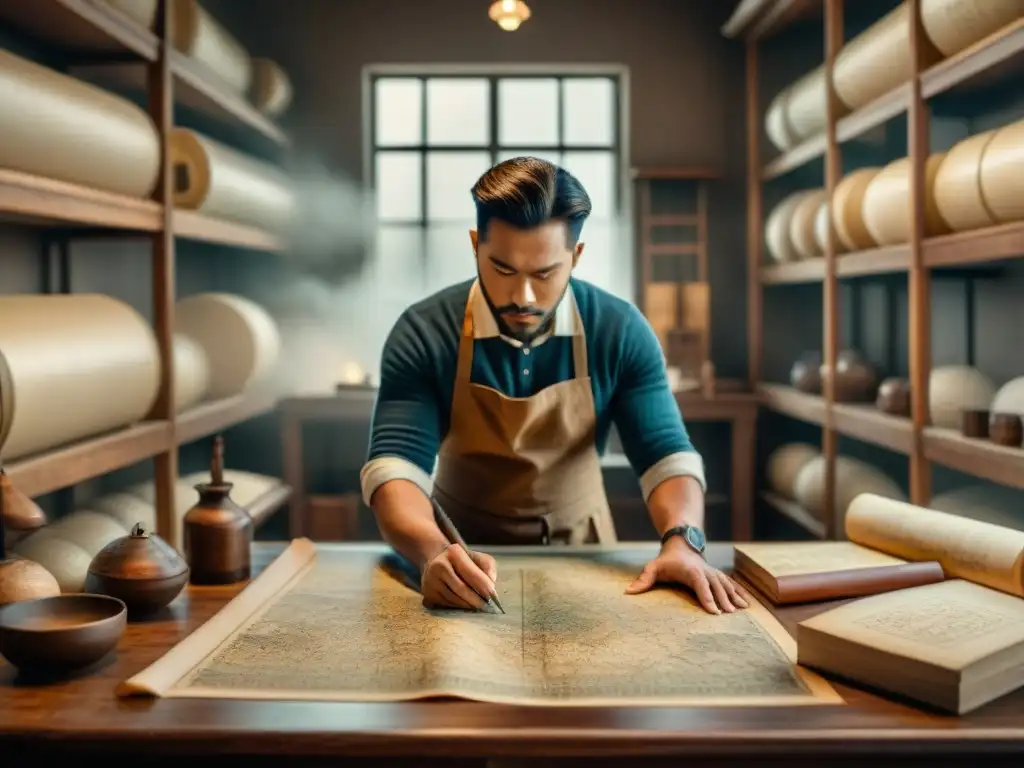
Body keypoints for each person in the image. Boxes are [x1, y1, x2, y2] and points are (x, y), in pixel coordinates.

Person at [361, 157, 747, 616]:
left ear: (576, 257)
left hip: (585, 556)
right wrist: (431, 552)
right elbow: (395, 468)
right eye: (502, 269)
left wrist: (684, 542)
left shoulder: (619, 329)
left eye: (544, 274)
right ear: (474, 246)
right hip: (456, 554)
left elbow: (666, 454)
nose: (522, 297)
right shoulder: (424, 331)